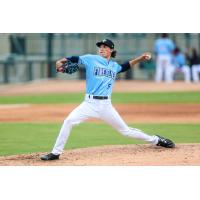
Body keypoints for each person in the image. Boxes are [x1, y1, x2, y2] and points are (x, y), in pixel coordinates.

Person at [41, 39, 175, 161]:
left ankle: (156, 140)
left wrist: (140, 58)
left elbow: (125, 66)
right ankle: (56, 153)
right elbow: (72, 58)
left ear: (111, 50)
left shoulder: (114, 66)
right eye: (100, 46)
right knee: (69, 121)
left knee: (126, 131)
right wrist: (60, 61)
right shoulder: (90, 59)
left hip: (106, 106)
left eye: (105, 47)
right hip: (89, 104)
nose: (101, 48)